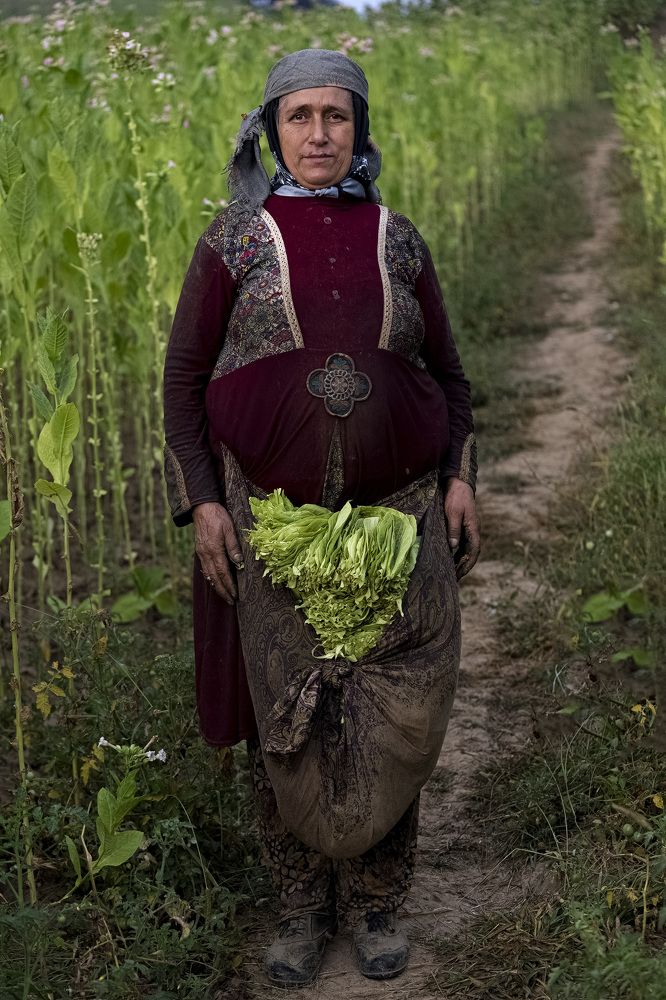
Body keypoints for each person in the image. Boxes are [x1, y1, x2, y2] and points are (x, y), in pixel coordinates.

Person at [163, 48, 480, 988]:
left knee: (388, 715)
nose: (317, 135)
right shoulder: (234, 239)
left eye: (335, 117)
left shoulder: (399, 239)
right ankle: (303, 909)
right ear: (271, 129)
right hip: (272, 531)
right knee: (287, 720)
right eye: (297, 116)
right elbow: (183, 383)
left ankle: (380, 903)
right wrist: (205, 501)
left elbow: (452, 380)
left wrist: (460, 477)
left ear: (360, 131)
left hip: (395, 523)